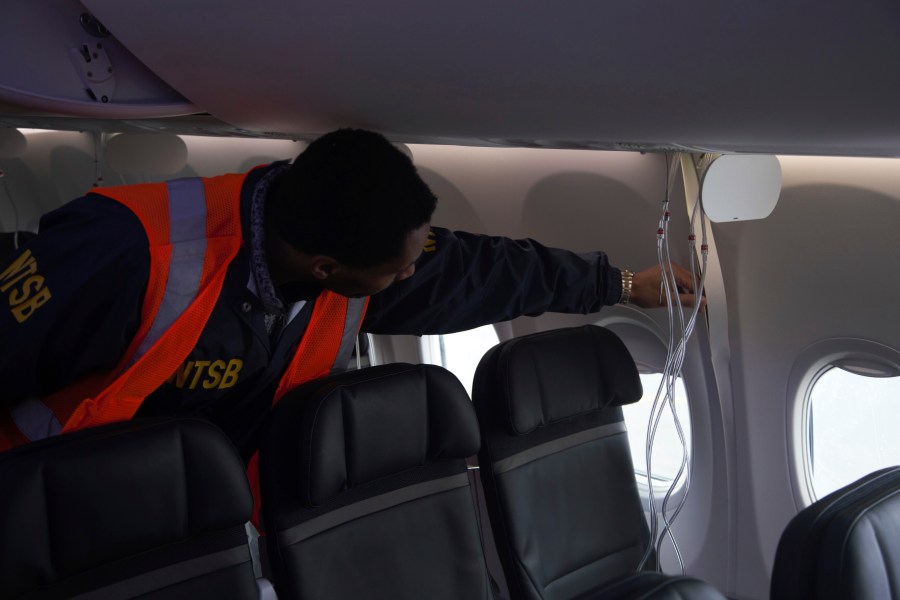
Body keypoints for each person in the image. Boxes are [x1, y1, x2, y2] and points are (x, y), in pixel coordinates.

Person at [0, 128, 700, 458]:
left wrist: (621, 284)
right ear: (328, 267)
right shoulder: (124, 251)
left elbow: (488, 271)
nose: (410, 274)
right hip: (44, 515)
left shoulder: (360, 254)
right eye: (399, 269)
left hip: (188, 524)